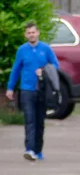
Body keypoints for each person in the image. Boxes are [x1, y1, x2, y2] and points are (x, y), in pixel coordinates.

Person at [5, 21, 59, 161]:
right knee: (29, 119)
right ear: (25, 35)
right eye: (29, 33)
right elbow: (16, 70)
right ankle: (29, 149)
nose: (31, 35)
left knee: (39, 121)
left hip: (42, 90)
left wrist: (44, 70)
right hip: (26, 89)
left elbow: (55, 65)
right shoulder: (22, 50)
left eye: (33, 32)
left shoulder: (45, 49)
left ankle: (38, 150)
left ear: (38, 33)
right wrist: (10, 87)